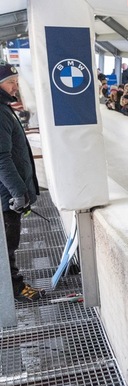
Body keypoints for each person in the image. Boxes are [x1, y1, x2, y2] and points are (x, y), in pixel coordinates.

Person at [0, 64, 43, 302]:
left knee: (8, 245)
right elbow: (1, 158)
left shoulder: (5, 108)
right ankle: (14, 290)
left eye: (16, 81)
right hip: (7, 195)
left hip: (9, 193)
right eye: (10, 82)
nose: (15, 86)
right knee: (7, 247)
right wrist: (19, 193)